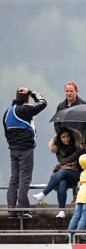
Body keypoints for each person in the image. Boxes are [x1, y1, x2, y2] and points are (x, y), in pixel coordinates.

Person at [3, 87, 47, 218]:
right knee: (24, 180)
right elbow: (43, 103)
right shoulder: (23, 110)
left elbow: (6, 131)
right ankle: (23, 210)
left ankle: (11, 210)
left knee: (13, 180)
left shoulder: (7, 112)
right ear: (26, 98)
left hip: (13, 149)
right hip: (25, 150)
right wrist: (31, 92)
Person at [33, 127, 86, 218]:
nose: (66, 139)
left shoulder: (79, 146)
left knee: (63, 172)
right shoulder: (59, 149)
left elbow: (84, 161)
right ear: (60, 139)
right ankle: (62, 211)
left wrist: (79, 151)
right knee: (62, 182)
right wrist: (77, 153)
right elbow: (64, 161)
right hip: (67, 174)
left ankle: (44, 193)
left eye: (68, 136)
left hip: (80, 174)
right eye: (63, 137)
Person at [54, 81, 86, 148]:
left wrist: (82, 138)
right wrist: (62, 137)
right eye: (67, 91)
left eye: (71, 91)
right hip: (66, 145)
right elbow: (57, 124)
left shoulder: (84, 106)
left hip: (82, 145)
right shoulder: (61, 106)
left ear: (76, 91)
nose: (69, 93)